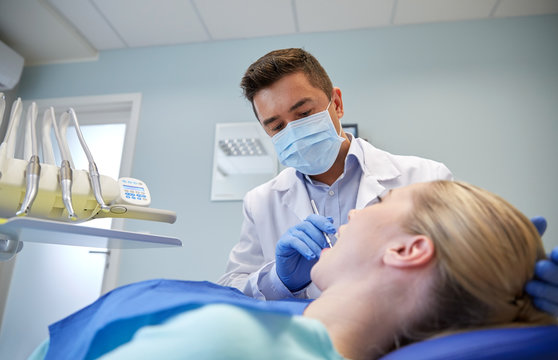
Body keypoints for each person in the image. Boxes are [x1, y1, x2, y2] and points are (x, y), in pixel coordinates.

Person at [30, 181, 557, 360]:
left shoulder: (232, 338)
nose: (353, 211)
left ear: (407, 250)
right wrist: (278, 281)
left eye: (381, 199)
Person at [217, 48, 453, 300]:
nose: (294, 132)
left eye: (304, 114)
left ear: (337, 104)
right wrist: (280, 279)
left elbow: (459, 270)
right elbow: (231, 288)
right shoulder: (260, 202)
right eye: (277, 126)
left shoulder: (426, 178)